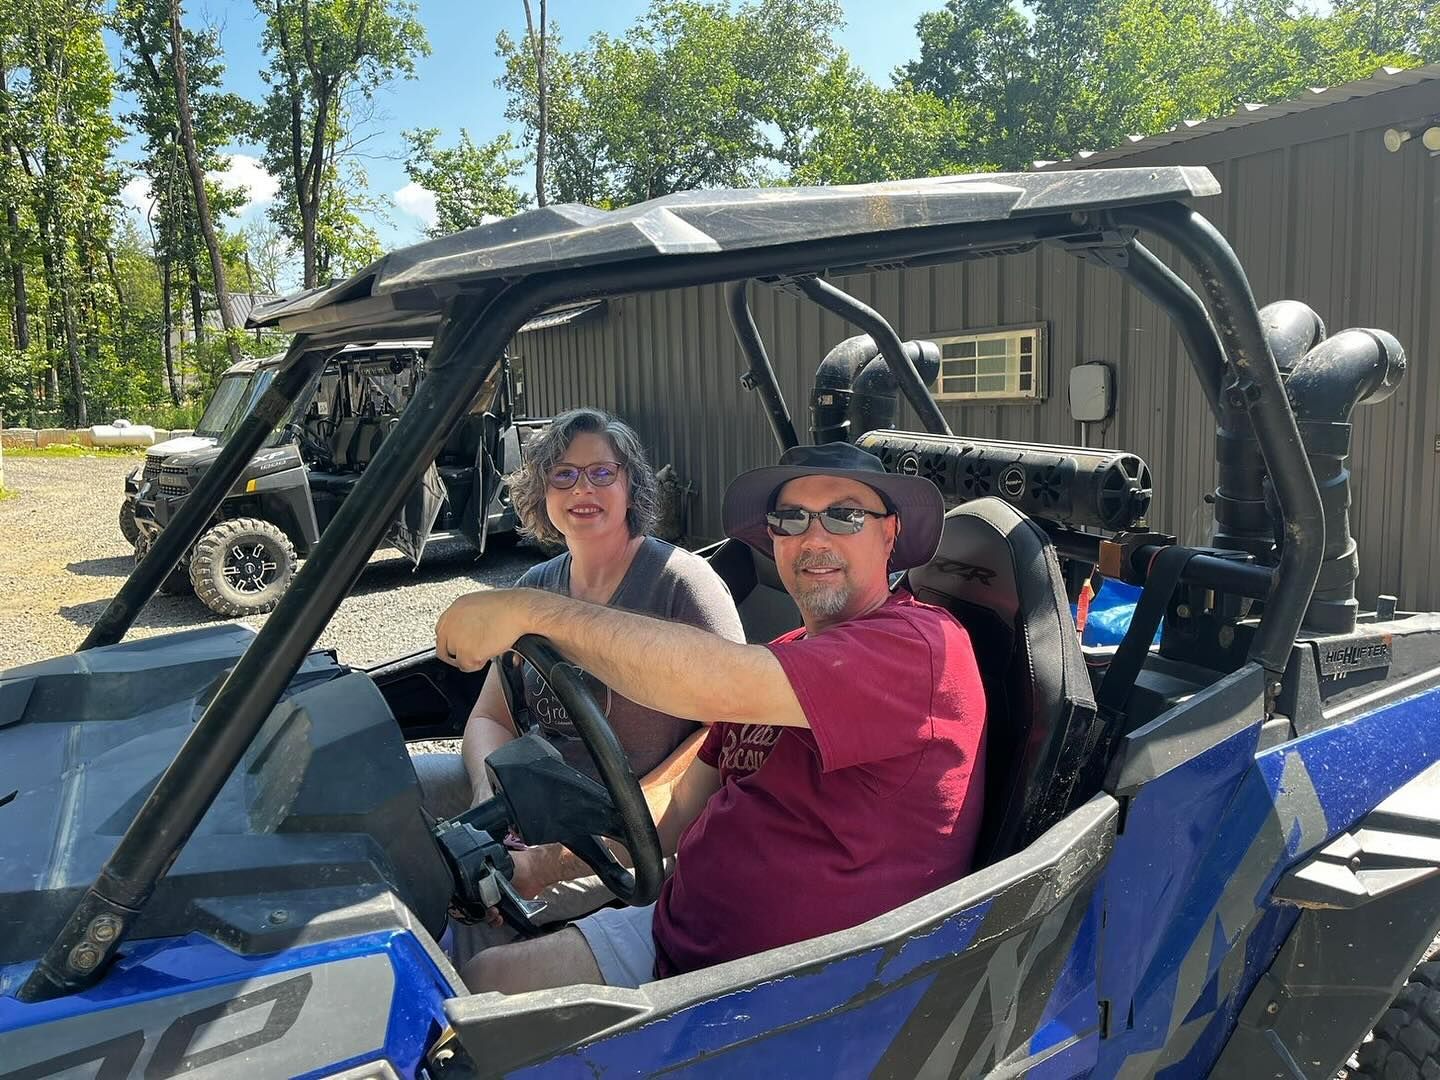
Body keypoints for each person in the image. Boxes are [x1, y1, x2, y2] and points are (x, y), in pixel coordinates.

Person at [435, 440, 987, 993]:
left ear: (888, 534)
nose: (813, 538)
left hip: (780, 997)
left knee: (476, 1016)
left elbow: (707, 680)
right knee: (468, 965)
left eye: (844, 516)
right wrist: (540, 866)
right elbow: (674, 809)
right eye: (791, 518)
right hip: (675, 930)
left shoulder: (917, 646)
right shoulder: (790, 654)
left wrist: (526, 612)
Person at [414, 407, 744, 927]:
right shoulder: (537, 586)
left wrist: (587, 844)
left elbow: (728, 735)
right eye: (562, 475)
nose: (581, 489)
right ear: (543, 494)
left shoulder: (682, 584)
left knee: (466, 924)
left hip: (634, 832)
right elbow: (489, 719)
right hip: (534, 801)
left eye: (601, 472)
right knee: (398, 800)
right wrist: (489, 793)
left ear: (631, 486)